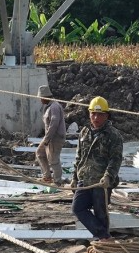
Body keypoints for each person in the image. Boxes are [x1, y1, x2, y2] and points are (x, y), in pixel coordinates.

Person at [70, 96, 123, 241]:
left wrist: (108, 177)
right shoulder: (84, 132)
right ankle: (103, 236)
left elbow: (115, 159)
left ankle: (103, 240)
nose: (96, 117)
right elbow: (79, 157)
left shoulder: (113, 135)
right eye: (93, 113)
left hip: (101, 182)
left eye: (100, 114)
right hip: (85, 180)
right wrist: (74, 177)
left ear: (106, 115)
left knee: (101, 212)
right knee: (77, 208)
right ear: (89, 114)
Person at [35, 93, 67, 185]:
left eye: (41, 98)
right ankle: (47, 177)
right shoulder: (50, 106)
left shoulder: (54, 107)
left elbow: (54, 123)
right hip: (49, 136)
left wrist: (47, 139)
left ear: (45, 97)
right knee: (40, 153)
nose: (40, 100)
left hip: (55, 137)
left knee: (53, 159)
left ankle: (57, 181)